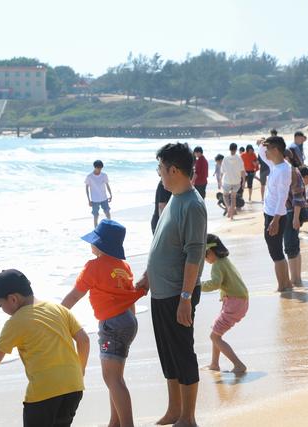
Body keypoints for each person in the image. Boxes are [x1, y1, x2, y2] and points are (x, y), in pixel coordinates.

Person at [135, 142, 206, 427]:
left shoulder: (192, 204)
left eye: (161, 169)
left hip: (179, 293)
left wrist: (186, 297)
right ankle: (174, 410)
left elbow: (195, 253)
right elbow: (163, 244)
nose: (159, 174)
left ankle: (188, 417)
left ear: (173, 170)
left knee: (182, 353)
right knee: (168, 354)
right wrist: (148, 276)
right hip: (162, 291)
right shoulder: (174, 196)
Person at [62, 220, 146, 427]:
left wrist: (57, 315)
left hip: (112, 325)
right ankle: (114, 423)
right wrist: (130, 323)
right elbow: (128, 297)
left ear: (99, 244)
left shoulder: (93, 267)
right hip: (128, 321)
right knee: (115, 377)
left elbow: (74, 296)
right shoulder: (123, 267)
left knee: (112, 378)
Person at [0, 269, 89, 427]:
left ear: (13, 299)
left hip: (44, 392)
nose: (3, 311)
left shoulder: (16, 321)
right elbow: (84, 340)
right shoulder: (58, 309)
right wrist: (81, 369)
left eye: (1, 305)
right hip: (74, 386)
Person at [201, 234, 248, 374]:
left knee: (214, 336)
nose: (204, 259)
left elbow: (215, 284)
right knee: (216, 333)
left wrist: (197, 285)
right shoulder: (225, 261)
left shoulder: (217, 265)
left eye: (204, 255)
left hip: (234, 303)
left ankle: (238, 365)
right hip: (239, 301)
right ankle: (214, 364)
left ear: (210, 252)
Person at [257, 136, 293, 291]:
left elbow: (282, 196)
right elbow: (262, 153)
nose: (266, 152)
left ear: (276, 150)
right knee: (278, 251)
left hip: (275, 216)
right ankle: (287, 283)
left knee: (276, 253)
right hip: (271, 214)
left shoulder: (283, 170)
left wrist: (276, 220)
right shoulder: (275, 165)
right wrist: (261, 142)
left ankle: (282, 286)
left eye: (268, 149)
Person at [283, 149, 308, 286]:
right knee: (294, 246)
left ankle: (296, 279)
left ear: (286, 157)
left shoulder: (291, 171)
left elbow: (298, 196)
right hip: (291, 212)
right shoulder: (292, 170)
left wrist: (296, 217)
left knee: (290, 247)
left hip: (291, 212)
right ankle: (297, 278)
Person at [222, 143, 245, 220]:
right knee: (233, 198)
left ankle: (228, 208)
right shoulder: (239, 158)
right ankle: (231, 215)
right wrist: (244, 181)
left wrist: (219, 181)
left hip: (227, 180)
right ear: (236, 149)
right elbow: (242, 171)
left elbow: (223, 171)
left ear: (229, 149)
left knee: (225, 195)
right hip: (237, 181)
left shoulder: (225, 159)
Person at [85, 160, 113, 227]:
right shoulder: (89, 176)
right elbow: (86, 188)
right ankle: (96, 229)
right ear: (95, 167)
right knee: (95, 215)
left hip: (104, 198)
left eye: (101, 168)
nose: (100, 170)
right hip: (95, 199)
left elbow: (107, 185)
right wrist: (89, 200)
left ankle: (110, 226)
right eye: (98, 168)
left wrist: (111, 194)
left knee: (107, 212)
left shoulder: (104, 175)